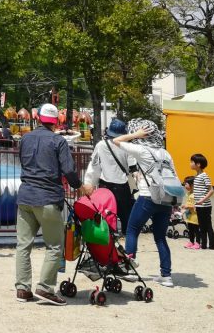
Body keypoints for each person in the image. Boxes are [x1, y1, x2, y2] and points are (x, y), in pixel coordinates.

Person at [15, 102, 83, 306]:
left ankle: (22, 289)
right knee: (54, 245)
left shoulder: (25, 138)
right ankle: (45, 287)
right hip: (48, 198)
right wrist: (79, 186)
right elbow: (69, 170)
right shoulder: (58, 141)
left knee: (23, 245)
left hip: (25, 197)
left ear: (38, 119)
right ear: (55, 123)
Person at [112, 118, 179, 287]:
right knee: (160, 237)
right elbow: (174, 175)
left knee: (132, 230)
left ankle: (129, 269)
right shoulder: (165, 153)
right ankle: (166, 275)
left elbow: (115, 140)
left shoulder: (141, 149)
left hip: (147, 196)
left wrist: (136, 134)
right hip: (166, 198)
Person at [81, 116, 135, 231]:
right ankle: (126, 236)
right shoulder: (127, 146)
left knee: (106, 214)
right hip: (123, 185)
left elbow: (94, 165)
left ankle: (109, 237)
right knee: (126, 215)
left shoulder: (101, 145)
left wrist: (89, 182)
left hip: (105, 185)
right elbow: (133, 168)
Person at [190, 153, 214, 250]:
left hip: (205, 206)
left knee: (208, 226)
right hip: (199, 206)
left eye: (192, 162)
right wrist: (196, 203)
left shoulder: (204, 176)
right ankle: (204, 245)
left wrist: (202, 200)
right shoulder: (196, 176)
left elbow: (211, 190)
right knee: (201, 226)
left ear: (198, 164)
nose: (190, 164)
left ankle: (212, 246)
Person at [182, 176, 200, 248]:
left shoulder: (196, 194)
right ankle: (191, 242)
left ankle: (198, 243)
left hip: (195, 216)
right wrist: (184, 206)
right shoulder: (189, 193)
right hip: (189, 215)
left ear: (192, 185)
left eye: (186, 184)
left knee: (196, 230)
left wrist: (188, 206)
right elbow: (188, 203)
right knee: (190, 229)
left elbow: (197, 205)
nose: (185, 185)